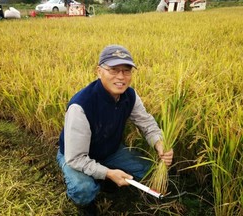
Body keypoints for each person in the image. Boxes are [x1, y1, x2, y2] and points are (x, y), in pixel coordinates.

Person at [57, 44, 174, 215]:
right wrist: (108, 173)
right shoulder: (81, 106)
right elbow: (75, 157)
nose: (121, 77)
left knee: (148, 170)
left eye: (126, 71)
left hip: (110, 150)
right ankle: (85, 204)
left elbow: (147, 123)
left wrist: (159, 142)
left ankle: (104, 179)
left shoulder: (130, 96)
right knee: (83, 189)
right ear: (99, 71)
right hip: (75, 156)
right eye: (113, 70)